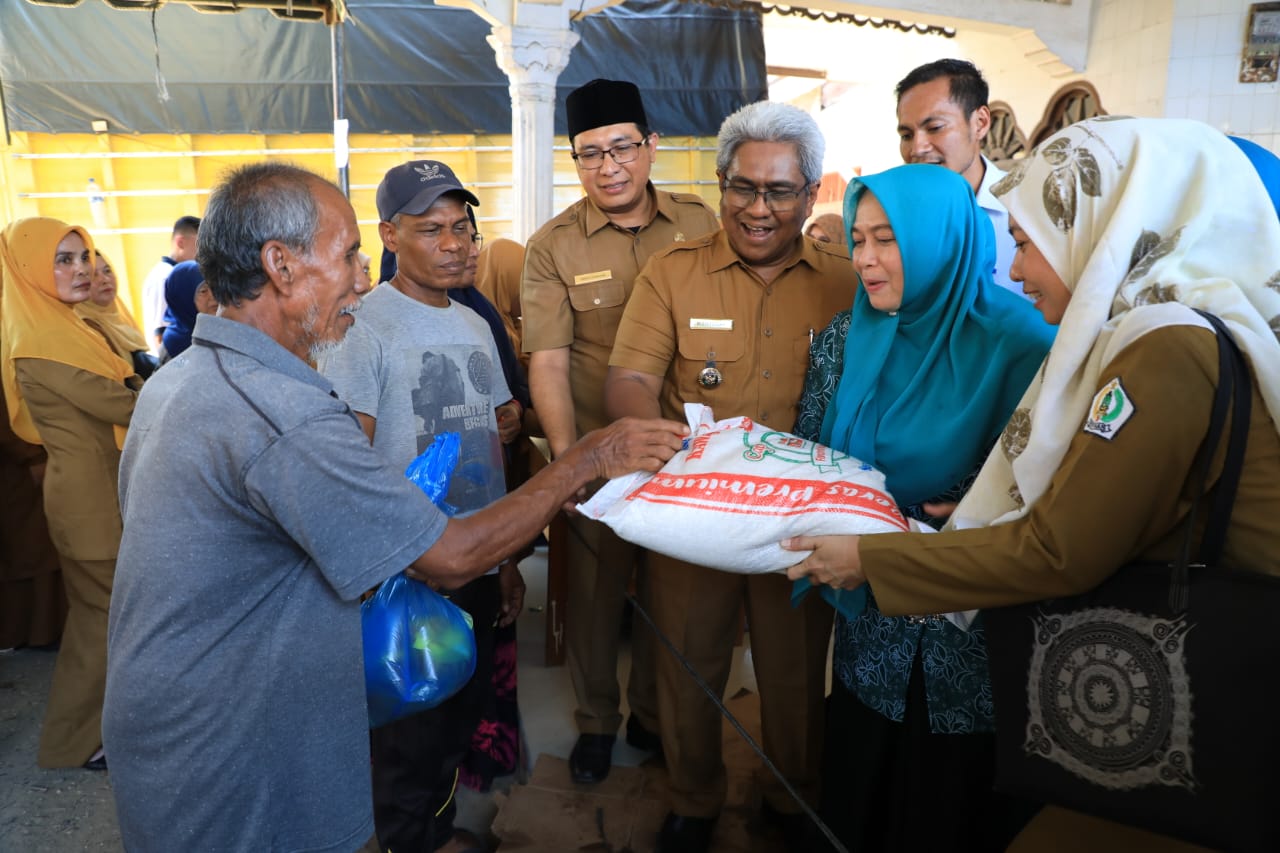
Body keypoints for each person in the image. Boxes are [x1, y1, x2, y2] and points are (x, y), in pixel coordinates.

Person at [102, 162, 686, 853]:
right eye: (348, 253)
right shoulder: (283, 413)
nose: (359, 276)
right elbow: (450, 556)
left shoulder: (183, 379)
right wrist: (588, 457)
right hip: (233, 752)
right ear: (280, 265)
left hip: (180, 725)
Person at [784, 117, 1280, 852]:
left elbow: (1057, 550)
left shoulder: (1167, 347)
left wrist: (869, 559)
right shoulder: (1154, 330)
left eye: (1024, 241)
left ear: (1101, 225)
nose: (1013, 270)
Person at [605, 100, 856, 853]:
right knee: (689, 657)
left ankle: (790, 794)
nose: (757, 208)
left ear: (810, 195)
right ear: (721, 185)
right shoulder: (672, 274)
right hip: (698, 509)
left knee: (794, 666)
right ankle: (692, 795)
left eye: (779, 191)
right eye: (741, 187)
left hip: (803, 518)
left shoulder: (846, 284)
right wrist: (652, 441)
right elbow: (628, 379)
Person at [792, 164, 1054, 851]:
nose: (865, 259)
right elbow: (813, 451)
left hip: (970, 639)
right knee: (862, 790)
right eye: (857, 238)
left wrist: (972, 509)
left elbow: (1050, 495)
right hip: (869, 620)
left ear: (941, 239)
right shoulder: (851, 336)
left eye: (887, 239)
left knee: (947, 806)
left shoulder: (1024, 345)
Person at [317, 159, 524, 853]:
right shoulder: (364, 327)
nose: (454, 242)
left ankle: (433, 834)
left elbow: (493, 441)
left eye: (462, 227)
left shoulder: (473, 323)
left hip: (480, 559)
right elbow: (349, 460)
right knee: (408, 735)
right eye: (431, 228)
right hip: (409, 570)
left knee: (458, 717)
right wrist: (375, 568)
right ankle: (410, 838)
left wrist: (509, 561)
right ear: (389, 236)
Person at [521, 77, 720, 785]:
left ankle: (656, 718)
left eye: (622, 148)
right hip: (601, 455)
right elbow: (547, 361)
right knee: (596, 602)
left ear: (650, 146)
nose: (608, 166)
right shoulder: (553, 248)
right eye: (589, 154)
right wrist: (571, 460)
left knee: (678, 597)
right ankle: (598, 723)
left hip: (687, 457)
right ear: (574, 160)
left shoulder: (703, 225)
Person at [0, 218, 139, 770]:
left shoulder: (68, 325)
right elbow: (124, 403)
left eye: (85, 256)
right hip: (92, 507)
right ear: (31, 269)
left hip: (97, 497)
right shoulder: (42, 344)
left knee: (99, 622)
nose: (81, 269)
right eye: (64, 259)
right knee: (102, 624)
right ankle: (73, 743)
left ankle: (82, 737)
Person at [896, 58, 1024, 298]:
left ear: (980, 123)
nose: (917, 147)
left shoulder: (1026, 207)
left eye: (934, 128)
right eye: (906, 134)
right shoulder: (894, 218)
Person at [77, 249, 157, 379]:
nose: (104, 279)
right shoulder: (85, 328)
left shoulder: (119, 316)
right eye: (93, 275)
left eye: (107, 271)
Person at [140, 215, 200, 354]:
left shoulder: (180, 276)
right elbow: (160, 334)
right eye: (200, 245)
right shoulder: (164, 277)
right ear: (180, 243)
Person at [158, 259, 215, 364]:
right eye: (203, 291)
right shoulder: (175, 346)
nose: (213, 296)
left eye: (214, 287)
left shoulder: (219, 327)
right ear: (184, 298)